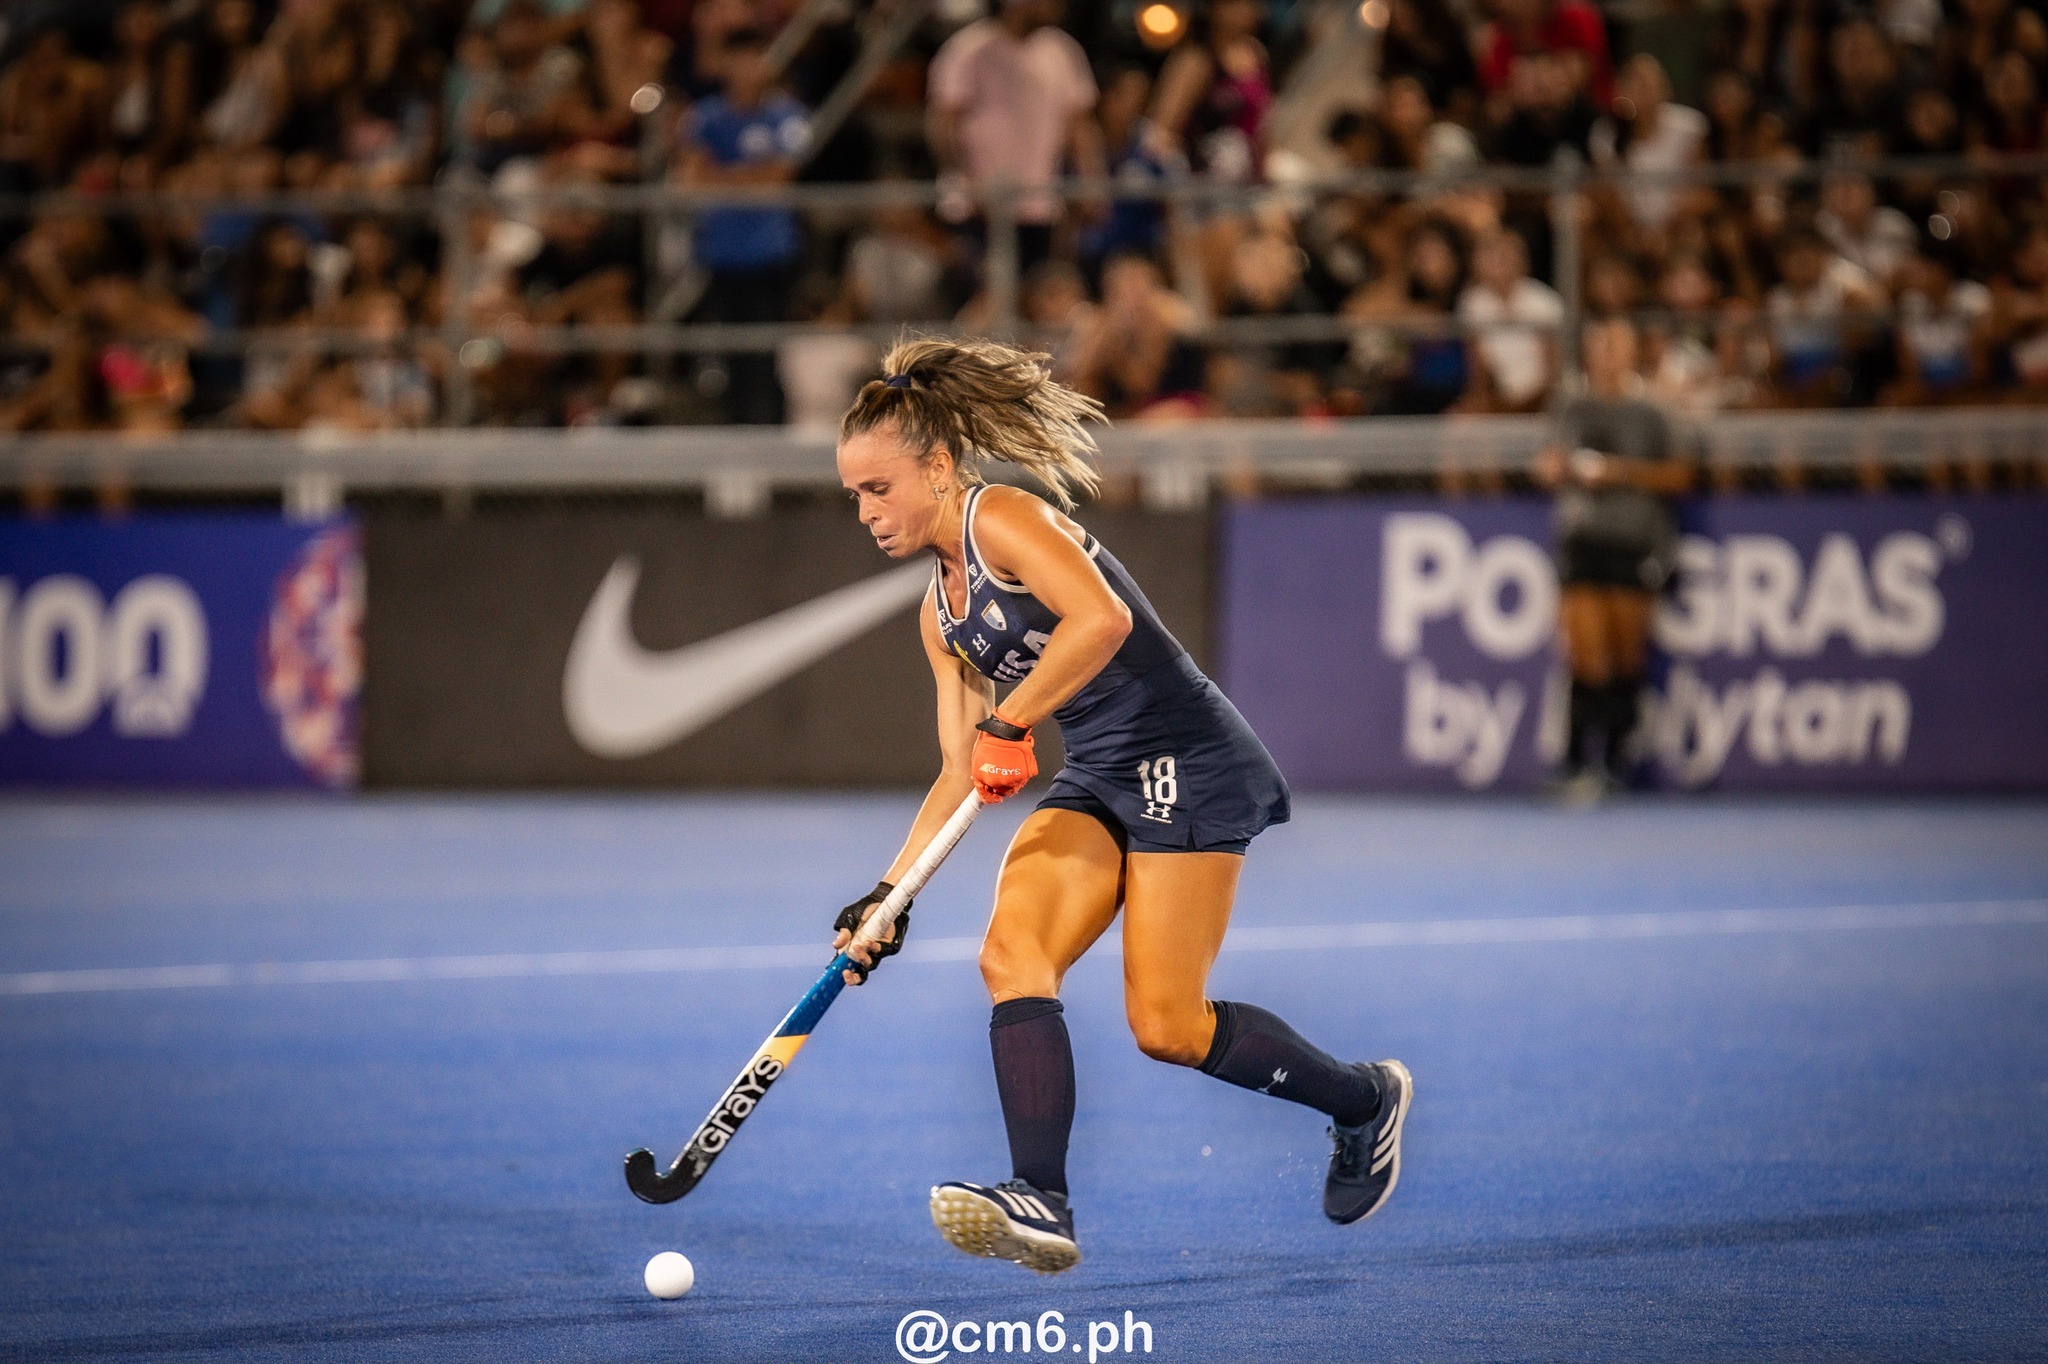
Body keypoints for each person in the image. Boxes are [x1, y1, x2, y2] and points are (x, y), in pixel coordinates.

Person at [829, 338, 1412, 1274]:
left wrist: (1013, 721)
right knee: (1011, 954)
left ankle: (1363, 1100)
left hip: (1189, 758)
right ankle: (1043, 1200)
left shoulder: (1003, 518)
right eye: (853, 495)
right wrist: (886, 898)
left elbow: (1103, 619)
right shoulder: (939, 615)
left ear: (937, 469)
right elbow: (955, 770)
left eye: (878, 488)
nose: (865, 512)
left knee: (1168, 1028)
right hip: (1100, 771)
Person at [1533, 319, 1694, 793]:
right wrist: (1558, 469)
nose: (1605, 353)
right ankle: (1577, 761)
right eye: (1598, 344)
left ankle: (1619, 762)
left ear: (1631, 352)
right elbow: (1548, 463)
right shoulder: (1571, 406)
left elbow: (1679, 476)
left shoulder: (1655, 412)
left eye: (1614, 345)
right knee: (1584, 653)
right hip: (1581, 538)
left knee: (1626, 655)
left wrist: (1618, 473)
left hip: (1635, 540)